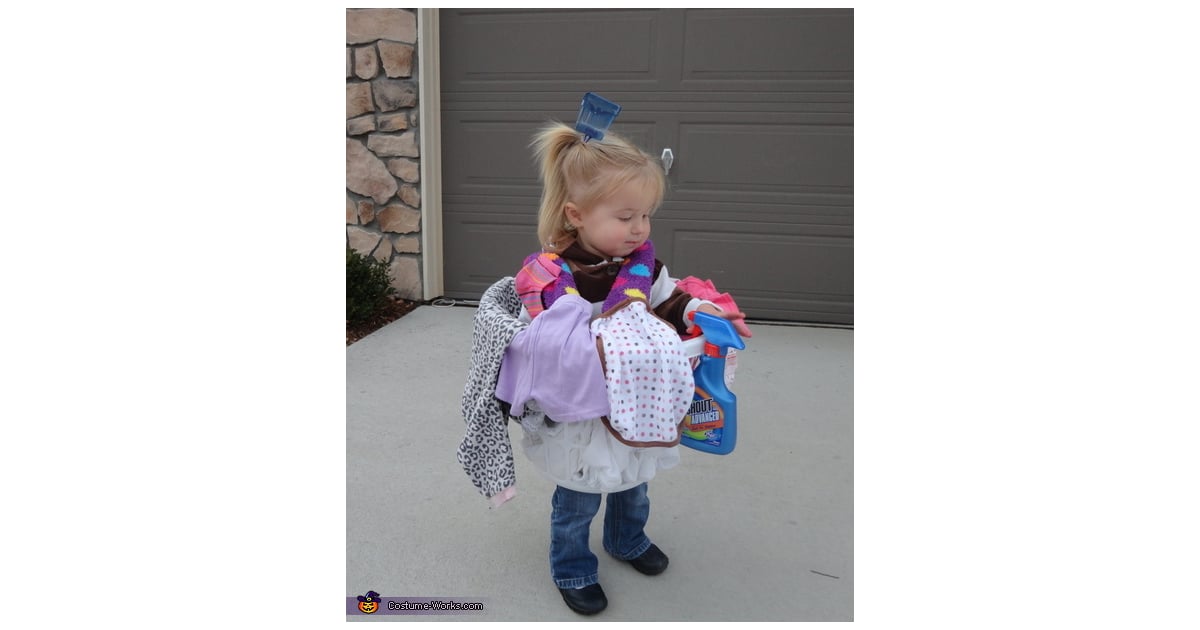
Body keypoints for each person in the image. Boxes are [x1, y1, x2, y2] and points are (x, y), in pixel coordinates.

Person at [504, 121, 749, 615]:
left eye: (646, 215)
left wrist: (698, 311)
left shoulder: (643, 268)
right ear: (576, 215)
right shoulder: (554, 277)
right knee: (579, 495)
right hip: (583, 408)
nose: (639, 228)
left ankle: (627, 539)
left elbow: (669, 300)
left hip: (638, 400)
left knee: (635, 480)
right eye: (625, 216)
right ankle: (572, 564)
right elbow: (547, 336)